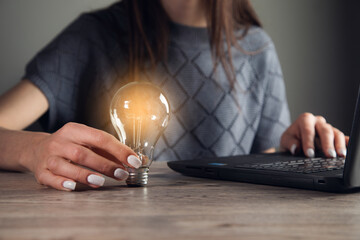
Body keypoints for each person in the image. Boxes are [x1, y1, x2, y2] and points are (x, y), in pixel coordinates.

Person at [0, 0, 349, 191]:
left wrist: (295, 151)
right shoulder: (92, 37)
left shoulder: (256, 49)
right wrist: (33, 149)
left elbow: (260, 163)